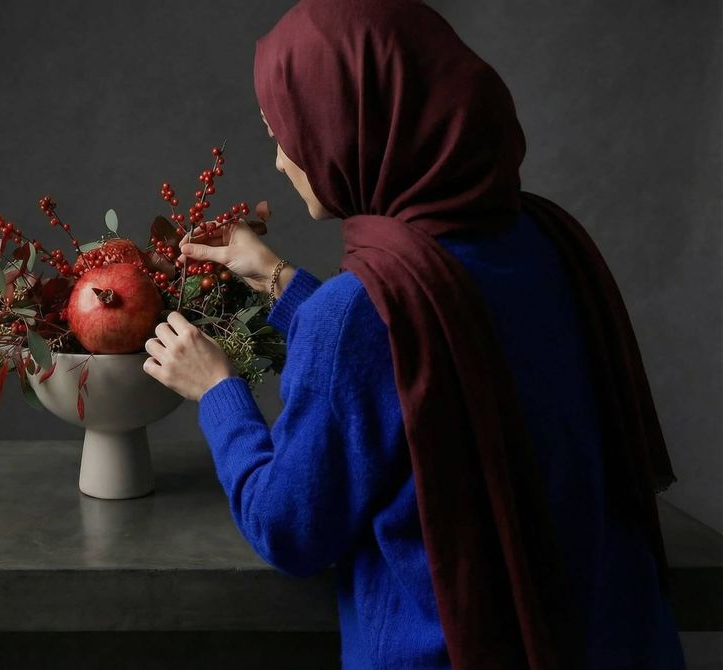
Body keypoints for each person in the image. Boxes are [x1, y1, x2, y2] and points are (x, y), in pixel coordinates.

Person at [140, 0, 686, 668]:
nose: (282, 160)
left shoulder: (360, 310)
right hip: (608, 640)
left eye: (288, 130)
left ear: (350, 123)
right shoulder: (549, 238)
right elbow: (423, 359)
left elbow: (289, 528)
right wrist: (282, 281)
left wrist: (219, 391)